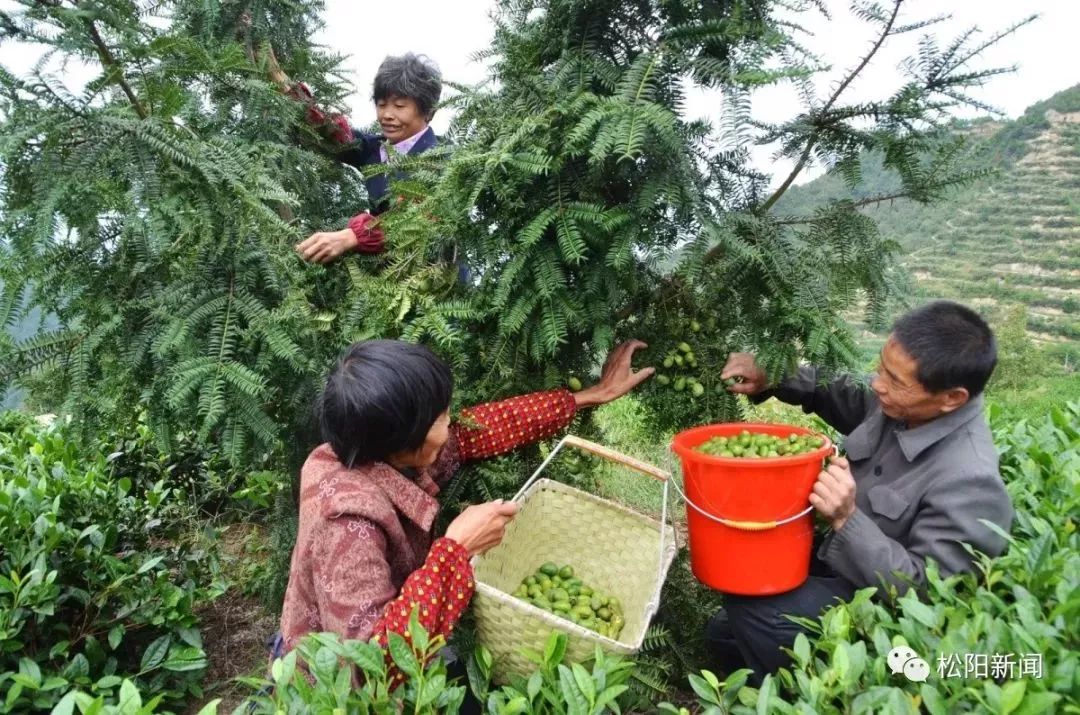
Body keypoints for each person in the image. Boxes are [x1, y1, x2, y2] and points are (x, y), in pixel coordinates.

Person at [276, 338, 654, 684]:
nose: (451, 421)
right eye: (441, 416)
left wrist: (588, 397)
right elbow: (370, 667)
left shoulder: (377, 451)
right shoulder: (346, 523)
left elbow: (484, 428)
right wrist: (456, 550)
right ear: (406, 443)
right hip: (332, 695)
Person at [707, 300, 1014, 681]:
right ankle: (767, 676)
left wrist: (846, 519)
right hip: (835, 561)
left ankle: (815, 694)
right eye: (881, 367)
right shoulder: (905, 404)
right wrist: (774, 375)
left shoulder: (970, 480)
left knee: (755, 611)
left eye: (895, 381)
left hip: (877, 606)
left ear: (952, 398)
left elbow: (926, 597)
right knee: (722, 635)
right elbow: (842, 392)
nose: (877, 384)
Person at [267, 50, 443, 264]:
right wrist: (285, 86)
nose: (387, 115)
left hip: (439, 285)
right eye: (381, 104)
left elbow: (415, 220)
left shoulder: (441, 161)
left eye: (399, 106)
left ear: (429, 112)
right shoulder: (375, 150)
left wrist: (354, 236)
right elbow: (331, 133)